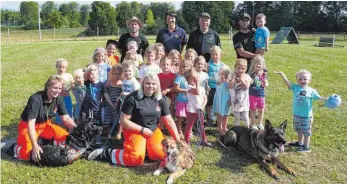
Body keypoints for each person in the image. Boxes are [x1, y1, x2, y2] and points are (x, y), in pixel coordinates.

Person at [87, 73, 180, 166]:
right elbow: (123, 121)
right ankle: (105, 152)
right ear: (142, 83)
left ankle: (145, 149)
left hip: (152, 129)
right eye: (147, 83)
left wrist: (178, 141)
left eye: (153, 84)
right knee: (134, 160)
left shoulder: (161, 98)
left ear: (157, 85)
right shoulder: (132, 98)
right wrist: (142, 129)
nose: (150, 86)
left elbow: (169, 121)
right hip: (134, 129)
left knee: (161, 154)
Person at [11, 75, 76, 161]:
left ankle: (43, 141)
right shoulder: (35, 99)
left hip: (45, 125)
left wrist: (77, 130)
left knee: (66, 138)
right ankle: (13, 148)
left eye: (60, 88)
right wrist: (35, 146)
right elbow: (31, 124)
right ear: (48, 86)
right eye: (55, 88)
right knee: (28, 154)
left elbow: (65, 118)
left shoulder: (58, 98)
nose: (57, 91)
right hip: (28, 127)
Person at [274, 70, 327, 153]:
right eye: (300, 79)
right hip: (296, 115)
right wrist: (282, 74)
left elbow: (319, 98)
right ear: (297, 80)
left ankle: (306, 147)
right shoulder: (295, 87)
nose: (302, 81)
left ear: (309, 80)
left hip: (306, 116)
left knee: (306, 132)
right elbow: (287, 83)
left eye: (305, 79)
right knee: (299, 130)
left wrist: (327, 100)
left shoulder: (312, 91)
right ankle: (299, 143)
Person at [183, 69, 211, 146]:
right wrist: (197, 83)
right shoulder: (189, 87)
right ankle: (186, 141)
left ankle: (203, 139)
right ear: (189, 79)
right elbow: (197, 92)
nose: (196, 79)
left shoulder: (201, 88)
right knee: (189, 126)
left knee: (201, 125)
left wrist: (201, 107)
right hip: (191, 110)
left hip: (199, 110)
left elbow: (205, 99)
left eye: (197, 77)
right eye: (194, 78)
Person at [229, 59, 252, 128]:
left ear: (245, 69)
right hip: (235, 101)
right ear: (235, 68)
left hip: (244, 102)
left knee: (245, 117)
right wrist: (233, 79)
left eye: (242, 69)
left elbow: (246, 87)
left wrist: (241, 79)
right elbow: (230, 86)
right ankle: (236, 129)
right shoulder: (232, 76)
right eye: (238, 68)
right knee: (237, 117)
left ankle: (247, 128)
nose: (240, 70)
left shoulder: (247, 77)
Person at [247, 56, 268, 130]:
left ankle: (260, 123)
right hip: (252, 94)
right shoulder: (251, 74)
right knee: (252, 109)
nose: (259, 65)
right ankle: (253, 123)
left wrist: (265, 82)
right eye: (257, 63)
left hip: (261, 95)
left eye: (260, 64)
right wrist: (252, 80)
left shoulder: (263, 74)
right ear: (253, 64)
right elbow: (248, 83)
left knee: (261, 109)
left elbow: (265, 84)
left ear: (263, 65)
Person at [206, 46, 225, 126]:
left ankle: (218, 119)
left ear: (220, 55)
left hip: (219, 88)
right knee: (209, 104)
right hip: (211, 87)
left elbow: (225, 77)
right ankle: (209, 118)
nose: (214, 56)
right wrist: (207, 85)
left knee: (218, 103)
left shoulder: (222, 65)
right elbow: (206, 76)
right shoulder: (208, 65)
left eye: (216, 54)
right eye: (213, 54)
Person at [103, 65, 123, 140]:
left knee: (117, 119)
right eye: (115, 73)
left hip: (118, 104)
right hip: (109, 103)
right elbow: (105, 94)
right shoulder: (108, 83)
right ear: (111, 73)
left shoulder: (121, 84)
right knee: (108, 119)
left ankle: (118, 133)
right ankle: (108, 133)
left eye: (119, 74)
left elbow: (123, 94)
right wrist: (111, 103)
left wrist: (117, 101)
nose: (117, 76)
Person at [174, 59, 192, 136]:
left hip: (190, 101)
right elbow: (176, 89)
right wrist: (186, 91)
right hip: (181, 100)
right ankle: (179, 130)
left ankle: (188, 130)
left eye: (187, 66)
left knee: (189, 117)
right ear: (180, 68)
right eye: (183, 66)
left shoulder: (191, 78)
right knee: (180, 117)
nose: (185, 68)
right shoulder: (179, 78)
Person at [213, 66, 232, 135]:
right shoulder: (219, 80)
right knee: (220, 115)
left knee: (226, 114)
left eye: (226, 74)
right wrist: (222, 79)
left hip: (227, 99)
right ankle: (220, 128)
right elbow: (219, 83)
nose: (225, 75)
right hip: (220, 99)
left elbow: (230, 88)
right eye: (223, 74)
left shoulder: (230, 81)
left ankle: (224, 127)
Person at [54, 58, 74, 125]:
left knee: (69, 108)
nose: (61, 68)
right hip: (58, 97)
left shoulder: (68, 75)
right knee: (58, 109)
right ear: (56, 67)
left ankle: (69, 121)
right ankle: (59, 122)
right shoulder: (55, 77)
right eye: (59, 67)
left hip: (67, 96)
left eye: (63, 67)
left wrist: (70, 88)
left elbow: (73, 83)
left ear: (66, 68)